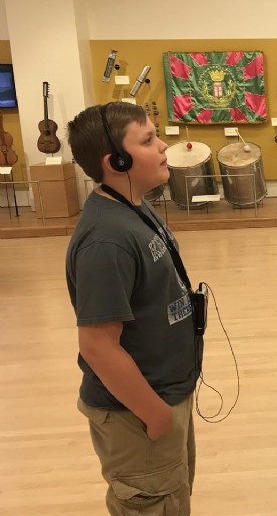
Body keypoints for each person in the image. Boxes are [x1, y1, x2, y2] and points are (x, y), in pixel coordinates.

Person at [66, 101, 201, 515]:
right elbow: (98, 347)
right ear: (117, 161)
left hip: (163, 397)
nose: (163, 146)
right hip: (138, 414)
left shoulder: (132, 206)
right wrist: (155, 415)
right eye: (148, 140)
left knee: (174, 500)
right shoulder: (106, 240)